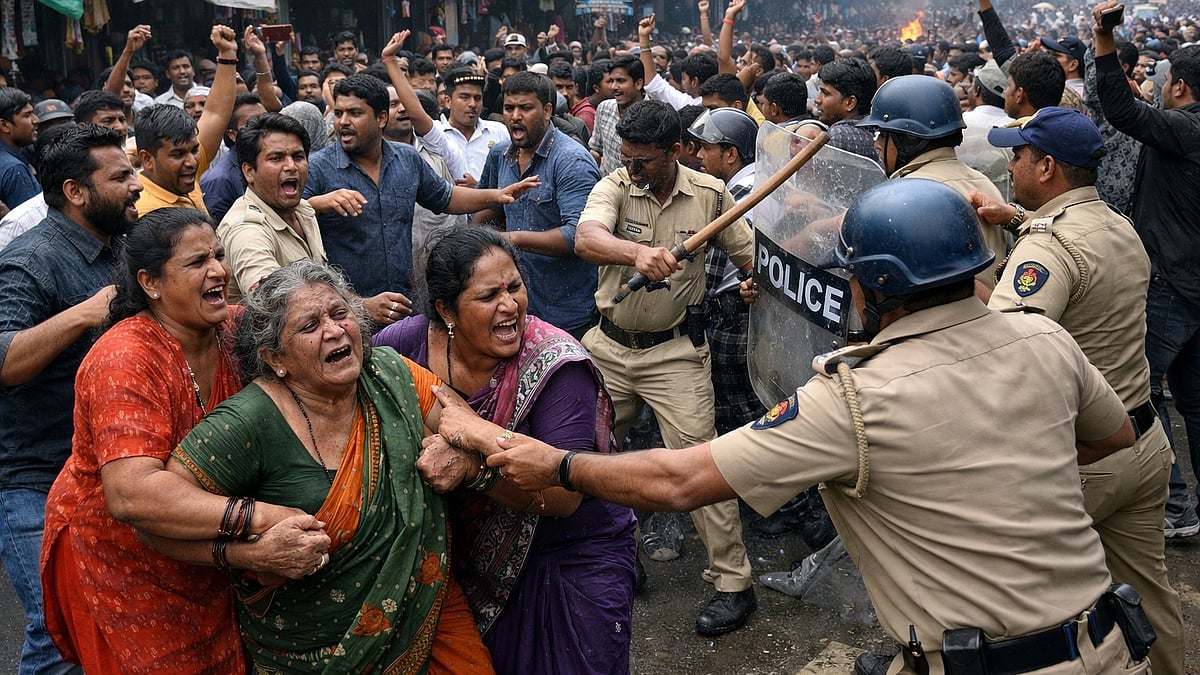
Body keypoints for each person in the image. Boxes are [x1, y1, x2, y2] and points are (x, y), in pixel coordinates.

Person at [486, 178, 1147, 675]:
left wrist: (559, 464)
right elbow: (1114, 436)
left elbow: (681, 480)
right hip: (1112, 647)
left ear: (867, 283)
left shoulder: (855, 394)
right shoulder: (1043, 336)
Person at [168, 260, 493, 671]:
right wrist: (251, 553)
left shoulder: (391, 375)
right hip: (311, 649)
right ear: (275, 358)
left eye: (340, 314)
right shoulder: (248, 420)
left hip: (424, 611)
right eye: (309, 326)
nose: (335, 330)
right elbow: (155, 521)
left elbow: (473, 433)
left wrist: (461, 455)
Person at [40, 208, 326, 673]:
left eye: (218, 255)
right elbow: (132, 494)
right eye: (197, 263)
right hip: (119, 560)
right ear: (151, 283)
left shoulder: (235, 330)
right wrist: (267, 519)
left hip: (200, 549)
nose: (219, 270)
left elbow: (329, 345)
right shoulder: (125, 358)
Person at [972, 105, 1184, 675]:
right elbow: (1072, 251)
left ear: (1046, 167)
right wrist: (1014, 218)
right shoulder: (1117, 223)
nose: (1009, 164)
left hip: (1081, 459)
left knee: (1025, 611)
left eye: (1016, 155)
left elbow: (1008, 345)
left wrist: (959, 278)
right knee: (1151, 592)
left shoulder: (1048, 247)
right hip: (1143, 443)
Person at [374, 227, 636, 673]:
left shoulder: (556, 365)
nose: (510, 305)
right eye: (489, 295)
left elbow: (562, 497)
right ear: (445, 310)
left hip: (570, 554)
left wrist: (473, 462)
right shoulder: (403, 347)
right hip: (468, 558)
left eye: (515, 287)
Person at [574, 100, 757, 636]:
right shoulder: (615, 185)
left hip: (675, 353)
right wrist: (636, 254)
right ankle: (620, 555)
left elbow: (750, 260)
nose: (633, 169)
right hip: (608, 348)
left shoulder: (711, 194)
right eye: (627, 158)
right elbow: (587, 239)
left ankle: (733, 584)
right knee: (588, 455)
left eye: (645, 161)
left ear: (675, 151)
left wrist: (751, 284)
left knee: (702, 463)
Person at [0, 124, 140, 675]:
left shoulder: (123, 249)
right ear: (76, 192)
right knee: (58, 633)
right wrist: (84, 312)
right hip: (36, 480)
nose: (136, 185)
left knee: (103, 626)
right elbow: (5, 360)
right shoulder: (27, 261)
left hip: (107, 473)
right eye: (121, 176)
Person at [303, 74, 538, 325]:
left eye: (354, 113)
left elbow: (446, 197)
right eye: (338, 114)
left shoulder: (407, 159)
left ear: (381, 118)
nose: (343, 122)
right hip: (344, 316)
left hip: (405, 309)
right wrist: (318, 204)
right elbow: (289, 220)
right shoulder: (317, 167)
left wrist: (496, 195)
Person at [1094, 2, 1200, 528]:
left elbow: (1120, 111)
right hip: (1195, 287)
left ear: (1178, 88)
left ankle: (1175, 505)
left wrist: (1103, 40)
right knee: (1195, 407)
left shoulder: (1184, 128)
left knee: (1139, 395)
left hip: (1170, 287)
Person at [475, 71, 601, 339]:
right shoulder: (500, 154)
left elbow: (577, 236)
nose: (515, 116)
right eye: (509, 108)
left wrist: (510, 239)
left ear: (546, 110)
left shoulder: (571, 161)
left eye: (525, 108)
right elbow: (489, 210)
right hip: (515, 305)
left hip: (565, 310)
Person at [134, 26, 241, 215]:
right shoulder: (143, 211)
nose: (192, 162)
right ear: (147, 159)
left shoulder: (181, 175)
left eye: (194, 150)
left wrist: (227, 53)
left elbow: (216, 113)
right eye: (178, 154)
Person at [218, 112, 323, 303]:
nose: (291, 166)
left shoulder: (303, 210)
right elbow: (272, 304)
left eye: (298, 156)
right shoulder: (246, 230)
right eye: (276, 158)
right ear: (249, 171)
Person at [199, 93, 268, 225]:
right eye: (252, 123)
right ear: (233, 135)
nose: (265, 129)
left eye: (266, 119)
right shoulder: (219, 180)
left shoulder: (271, 164)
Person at [442, 67, 509, 180]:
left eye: (477, 98)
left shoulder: (498, 132)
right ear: (448, 101)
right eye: (464, 97)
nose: (472, 104)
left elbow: (510, 176)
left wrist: (479, 188)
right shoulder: (438, 136)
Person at [0, 88, 39, 212]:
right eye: (27, 115)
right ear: (4, 125)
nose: (36, 120)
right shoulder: (14, 170)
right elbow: (31, 225)